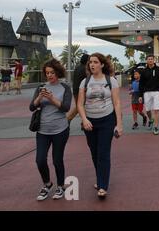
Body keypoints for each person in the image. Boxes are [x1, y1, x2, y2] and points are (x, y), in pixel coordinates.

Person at [77, 53, 123, 199]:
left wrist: (119, 124)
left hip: (107, 121)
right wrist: (84, 119)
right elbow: (79, 103)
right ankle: (100, 178)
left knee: (103, 153)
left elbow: (117, 103)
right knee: (94, 153)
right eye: (90, 62)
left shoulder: (111, 81)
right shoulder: (85, 82)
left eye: (96, 62)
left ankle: (103, 185)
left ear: (102, 65)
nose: (92, 65)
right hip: (90, 122)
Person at [29, 58, 72, 200]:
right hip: (42, 130)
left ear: (57, 72)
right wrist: (39, 97)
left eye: (52, 72)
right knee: (40, 160)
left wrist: (52, 99)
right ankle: (47, 184)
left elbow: (65, 108)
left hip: (60, 129)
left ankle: (60, 186)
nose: (49, 75)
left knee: (57, 160)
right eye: (47, 73)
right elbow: (32, 107)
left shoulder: (65, 88)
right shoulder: (41, 87)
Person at [138, 55, 159, 135]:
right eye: (148, 59)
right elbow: (141, 84)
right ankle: (150, 119)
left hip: (157, 92)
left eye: (151, 59)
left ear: (154, 60)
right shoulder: (143, 71)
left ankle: (156, 127)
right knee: (147, 110)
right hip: (147, 92)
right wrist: (140, 95)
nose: (150, 60)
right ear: (146, 61)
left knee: (156, 109)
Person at [67, 53, 89, 123]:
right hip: (81, 91)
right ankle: (68, 119)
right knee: (79, 106)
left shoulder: (77, 68)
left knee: (80, 106)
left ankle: (84, 122)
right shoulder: (85, 69)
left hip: (75, 89)